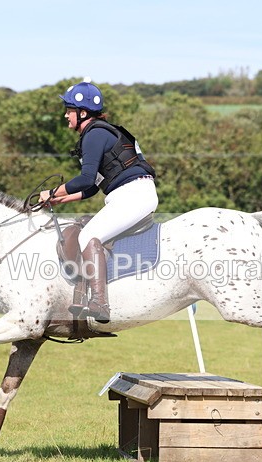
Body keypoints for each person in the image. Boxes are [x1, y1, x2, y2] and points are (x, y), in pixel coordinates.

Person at [39, 79, 158, 323]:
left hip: (131, 195)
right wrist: (63, 199)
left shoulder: (94, 134)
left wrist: (53, 191)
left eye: (69, 110)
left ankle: (100, 303)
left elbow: (85, 178)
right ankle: (85, 295)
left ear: (83, 113)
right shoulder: (99, 132)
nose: (65, 116)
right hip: (133, 193)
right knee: (89, 230)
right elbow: (93, 187)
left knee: (87, 236)